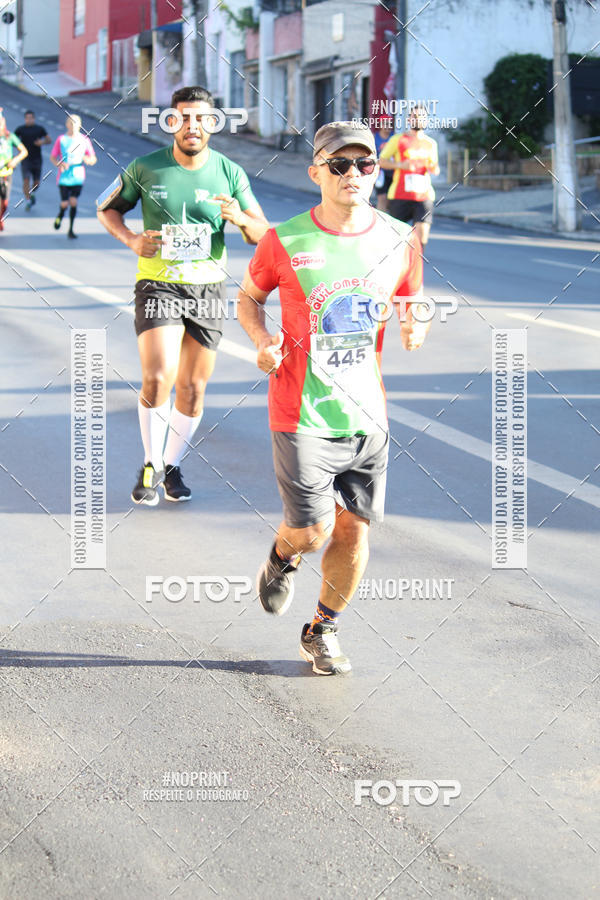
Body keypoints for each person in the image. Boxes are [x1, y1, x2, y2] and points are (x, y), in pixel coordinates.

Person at [237, 121, 429, 675]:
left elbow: (412, 300)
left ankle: (323, 629)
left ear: (376, 171)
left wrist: (416, 323)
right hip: (301, 410)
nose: (353, 174)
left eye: (364, 164)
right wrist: (261, 340)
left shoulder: (398, 237)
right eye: (340, 164)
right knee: (312, 530)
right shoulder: (285, 239)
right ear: (316, 172)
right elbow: (248, 299)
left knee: (353, 528)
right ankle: (282, 555)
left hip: (367, 413)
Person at [96, 85, 269, 506]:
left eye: (201, 118)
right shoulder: (145, 167)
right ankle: (150, 464)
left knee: (192, 387)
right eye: (183, 117)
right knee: (158, 377)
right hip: (159, 283)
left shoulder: (230, 172)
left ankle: (172, 465)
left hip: (208, 288)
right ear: (171, 121)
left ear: (213, 123)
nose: (192, 126)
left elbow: (261, 234)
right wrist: (133, 240)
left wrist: (240, 217)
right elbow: (106, 208)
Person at [379, 105, 440, 248]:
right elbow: (381, 161)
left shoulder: (431, 143)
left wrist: (433, 168)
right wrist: (400, 165)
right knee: (395, 240)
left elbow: (435, 167)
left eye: (421, 117)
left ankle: (416, 267)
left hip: (423, 197)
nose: (418, 120)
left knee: (421, 238)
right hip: (400, 195)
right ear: (409, 119)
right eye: (414, 117)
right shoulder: (398, 139)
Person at [50, 113, 97, 239]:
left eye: (75, 123)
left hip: (78, 175)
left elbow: (93, 158)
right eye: (71, 123)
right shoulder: (61, 139)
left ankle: (70, 229)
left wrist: (88, 159)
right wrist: (59, 164)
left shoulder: (84, 140)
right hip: (64, 176)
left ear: (80, 125)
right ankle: (60, 214)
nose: (73, 126)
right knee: (65, 203)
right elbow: (53, 157)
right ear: (66, 124)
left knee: (73, 201)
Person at [14, 109, 51, 210]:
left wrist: (42, 142)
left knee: (36, 183)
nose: (29, 120)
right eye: (27, 118)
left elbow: (49, 140)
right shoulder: (20, 129)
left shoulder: (39, 129)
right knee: (26, 180)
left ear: (34, 119)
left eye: (31, 118)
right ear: (25, 119)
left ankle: (32, 194)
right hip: (25, 159)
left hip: (37, 159)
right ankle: (28, 200)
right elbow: (13, 141)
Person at [0, 109, 28, 231]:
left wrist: (14, 161)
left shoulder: (9, 137)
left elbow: (24, 151)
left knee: (5, 202)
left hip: (6, 174)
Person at [373, 118, 394, 212]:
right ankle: (380, 220)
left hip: (393, 171)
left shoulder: (394, 138)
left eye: (390, 124)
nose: (387, 127)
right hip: (379, 173)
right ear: (380, 125)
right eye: (385, 124)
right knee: (382, 197)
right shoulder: (374, 138)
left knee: (390, 199)